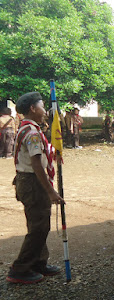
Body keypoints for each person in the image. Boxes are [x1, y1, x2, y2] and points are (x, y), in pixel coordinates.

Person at [6, 92, 64, 284]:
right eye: (41, 105)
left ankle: (39, 262)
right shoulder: (31, 132)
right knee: (39, 226)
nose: (44, 109)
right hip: (33, 182)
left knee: (38, 223)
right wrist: (50, 191)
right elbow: (37, 164)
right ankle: (20, 268)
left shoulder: (29, 128)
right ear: (32, 108)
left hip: (29, 180)